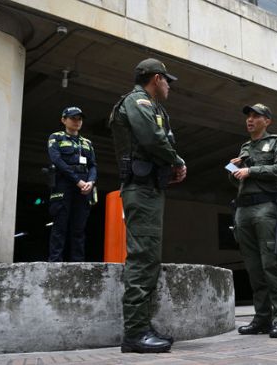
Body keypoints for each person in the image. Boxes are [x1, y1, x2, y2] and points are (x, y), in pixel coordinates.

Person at [108, 58, 187, 353]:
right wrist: (177, 161)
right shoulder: (138, 102)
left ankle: (142, 326)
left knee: (149, 257)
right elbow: (153, 140)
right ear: (156, 78)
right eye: (167, 81)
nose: (169, 86)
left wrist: (169, 167)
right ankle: (135, 332)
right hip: (140, 190)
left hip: (150, 188)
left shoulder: (152, 107)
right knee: (142, 257)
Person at [229, 103, 277, 338]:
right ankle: (262, 318)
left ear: (267, 121)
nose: (250, 120)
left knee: (272, 264)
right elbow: (239, 181)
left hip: (266, 207)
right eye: (248, 116)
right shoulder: (245, 146)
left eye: (256, 116)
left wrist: (251, 171)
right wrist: (233, 169)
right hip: (243, 209)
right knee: (254, 268)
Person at [47, 106, 97, 262]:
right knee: (60, 225)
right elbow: (57, 161)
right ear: (63, 120)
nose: (77, 122)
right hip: (64, 184)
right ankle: (55, 262)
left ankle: (78, 263)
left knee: (79, 228)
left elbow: (93, 165)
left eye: (79, 119)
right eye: (73, 118)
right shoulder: (56, 137)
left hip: (84, 187)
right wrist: (77, 181)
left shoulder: (87, 142)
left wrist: (90, 181)